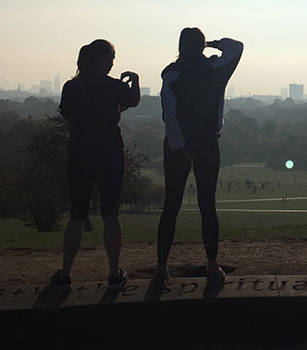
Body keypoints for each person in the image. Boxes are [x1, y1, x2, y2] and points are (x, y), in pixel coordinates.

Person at [49, 39, 140, 292]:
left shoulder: (71, 87)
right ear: (103, 60)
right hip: (110, 151)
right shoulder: (113, 86)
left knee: (77, 214)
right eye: (111, 58)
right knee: (110, 213)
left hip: (80, 150)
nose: (113, 63)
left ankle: (65, 274)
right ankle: (113, 273)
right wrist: (135, 80)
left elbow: (68, 114)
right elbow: (133, 100)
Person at [155, 28, 243, 287]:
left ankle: (161, 267)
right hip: (207, 142)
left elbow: (169, 114)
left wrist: (180, 146)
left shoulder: (171, 74)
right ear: (201, 46)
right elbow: (236, 46)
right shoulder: (216, 69)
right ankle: (211, 264)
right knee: (208, 205)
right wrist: (212, 43)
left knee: (171, 206)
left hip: (176, 145)